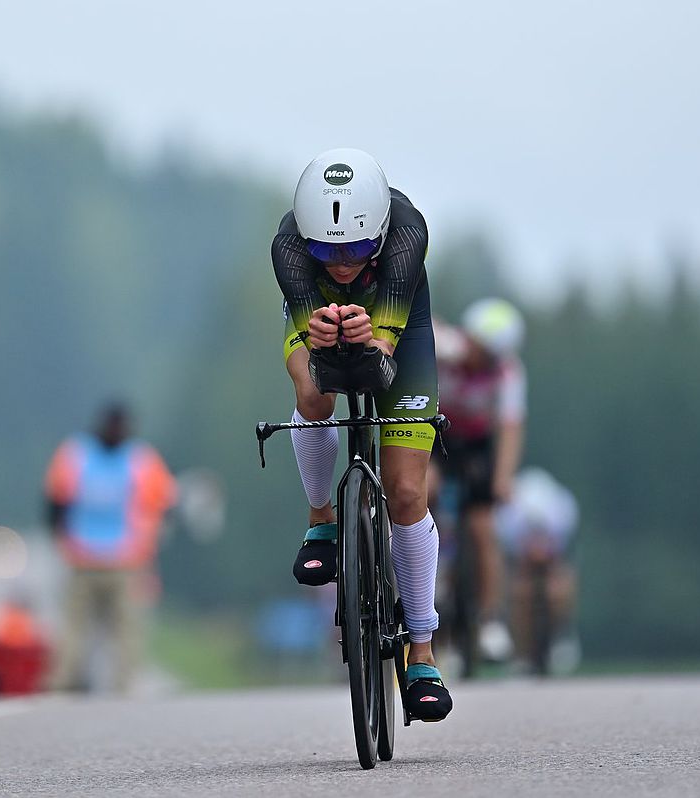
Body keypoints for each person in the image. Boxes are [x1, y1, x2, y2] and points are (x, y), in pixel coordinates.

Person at [271, 148, 452, 720]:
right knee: (312, 397)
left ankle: (421, 652)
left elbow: (381, 362)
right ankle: (321, 521)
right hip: (318, 322)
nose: (342, 263)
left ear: (377, 232)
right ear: (306, 239)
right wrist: (320, 335)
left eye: (353, 249)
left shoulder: (406, 234)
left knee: (404, 494)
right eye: (326, 250)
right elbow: (313, 360)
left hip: (400, 332)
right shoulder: (288, 248)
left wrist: (370, 336)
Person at [44, 403, 175, 693]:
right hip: (94, 556)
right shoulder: (131, 459)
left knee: (114, 629)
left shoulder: (81, 455)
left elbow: (55, 502)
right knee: (91, 628)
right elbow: (56, 500)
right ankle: (76, 682)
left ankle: (111, 685)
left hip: (120, 558)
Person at [431, 298, 527, 662]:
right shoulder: (445, 348)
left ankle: (489, 619)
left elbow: (511, 427)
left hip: (475, 446)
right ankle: (431, 570)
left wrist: (503, 478)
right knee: (426, 491)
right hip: (436, 435)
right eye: (473, 343)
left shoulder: (508, 372)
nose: (474, 354)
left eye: (485, 352)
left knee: (484, 528)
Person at [495, 467, 579, 674]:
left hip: (553, 551)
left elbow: (560, 562)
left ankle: (562, 632)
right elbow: (508, 563)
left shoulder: (561, 515)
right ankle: (521, 651)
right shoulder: (508, 524)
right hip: (516, 556)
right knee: (518, 593)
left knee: (558, 588)